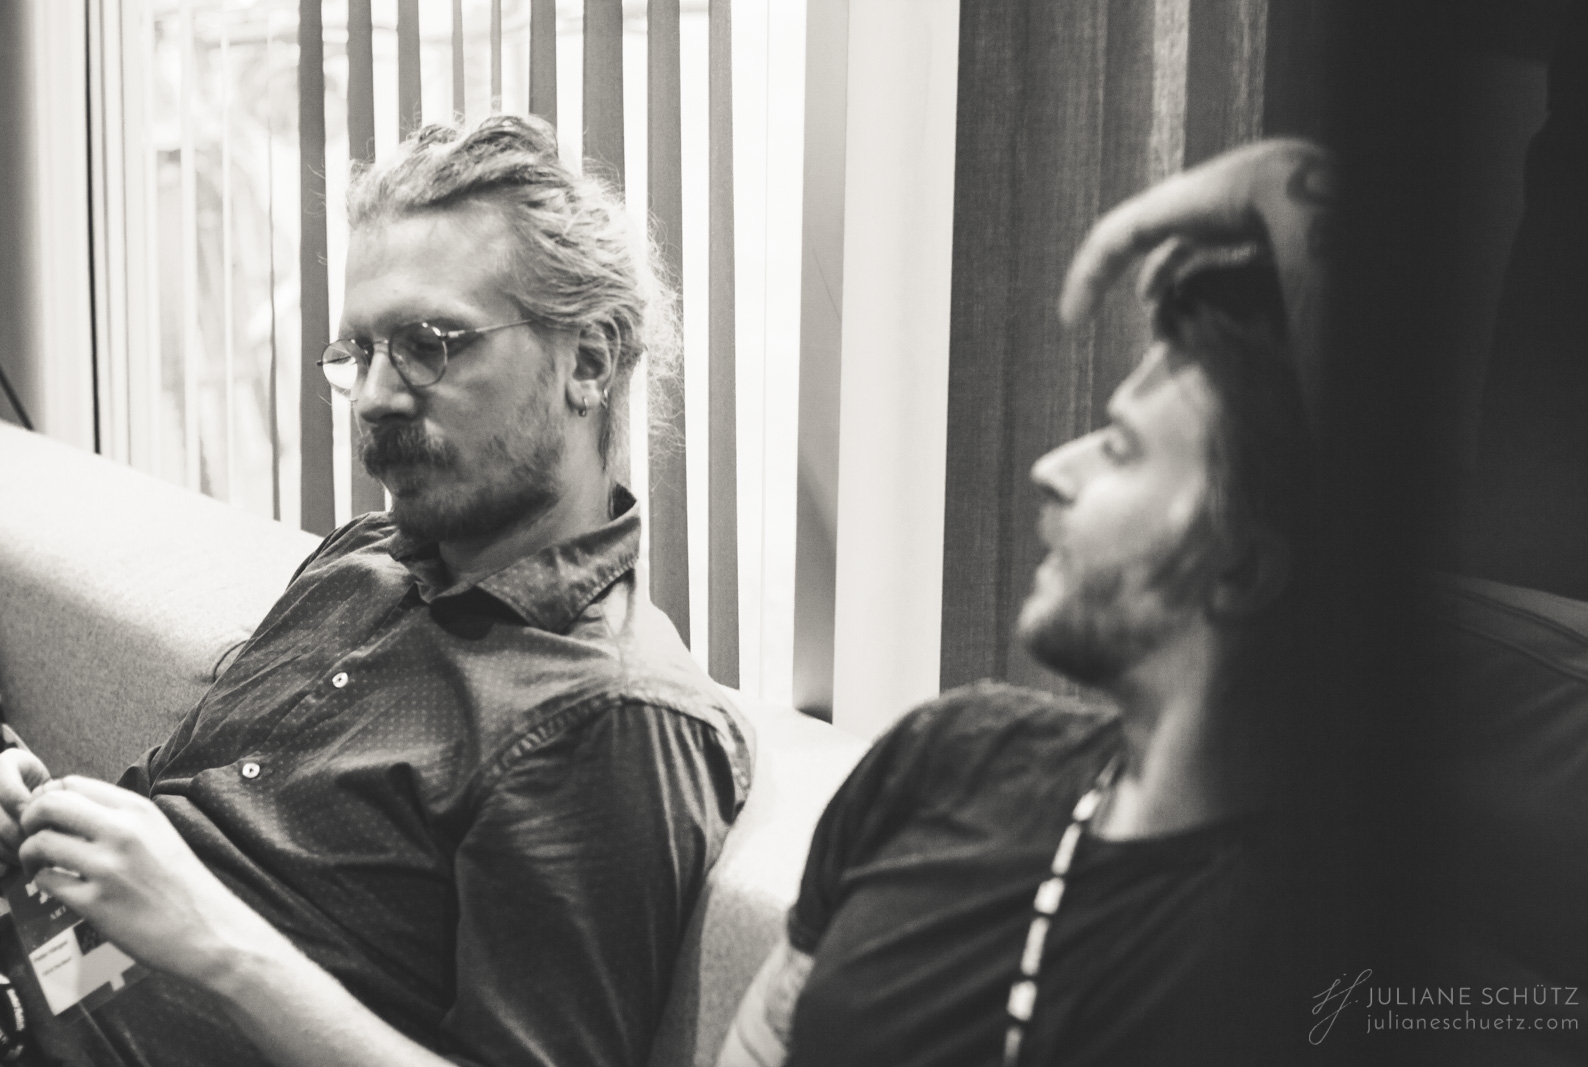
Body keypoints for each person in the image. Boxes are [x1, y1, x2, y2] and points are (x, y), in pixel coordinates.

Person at [0, 115, 750, 1067]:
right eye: (361, 353)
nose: (375, 397)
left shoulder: (609, 715)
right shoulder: (366, 558)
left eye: (429, 344)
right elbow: (159, 832)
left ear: (590, 360)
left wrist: (220, 944)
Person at [716, 138, 1336, 1067]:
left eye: (1120, 449)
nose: (1052, 468)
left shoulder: (1291, 946)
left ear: (1243, 568)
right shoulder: (948, 755)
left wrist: (1274, 179)